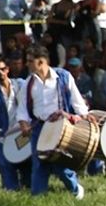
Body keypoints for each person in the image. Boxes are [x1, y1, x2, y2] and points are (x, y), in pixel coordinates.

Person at [16, 45, 93, 198]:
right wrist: (24, 124)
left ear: (41, 62)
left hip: (61, 128)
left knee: (60, 164)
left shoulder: (64, 77)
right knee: (39, 164)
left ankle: (76, 190)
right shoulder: (28, 83)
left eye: (31, 61)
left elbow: (77, 101)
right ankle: (38, 197)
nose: (27, 64)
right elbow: (22, 109)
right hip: (39, 127)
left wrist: (84, 116)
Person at [0, 57, 31, 191]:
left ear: (8, 70)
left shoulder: (20, 84)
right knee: (5, 164)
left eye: (3, 69)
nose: (0, 72)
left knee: (26, 162)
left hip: (21, 132)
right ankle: (11, 190)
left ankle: (28, 188)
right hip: (2, 135)